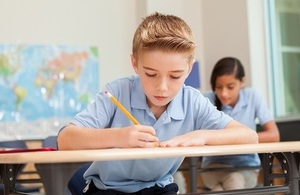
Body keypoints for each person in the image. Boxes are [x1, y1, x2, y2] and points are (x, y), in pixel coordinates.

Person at [57, 13, 258, 195]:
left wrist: (202, 136)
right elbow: (65, 140)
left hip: (158, 187)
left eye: (175, 76)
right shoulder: (117, 91)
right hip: (108, 189)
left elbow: (249, 137)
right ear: (135, 63)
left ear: (189, 68)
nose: (162, 87)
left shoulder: (192, 101)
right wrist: (118, 136)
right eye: (151, 74)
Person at [201, 57, 280, 191]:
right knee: (232, 180)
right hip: (213, 167)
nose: (223, 93)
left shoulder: (253, 97)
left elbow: (273, 135)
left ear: (242, 82)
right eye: (218, 87)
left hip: (247, 167)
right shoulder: (206, 99)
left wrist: (236, 138)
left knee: (223, 187)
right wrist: (237, 138)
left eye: (230, 87)